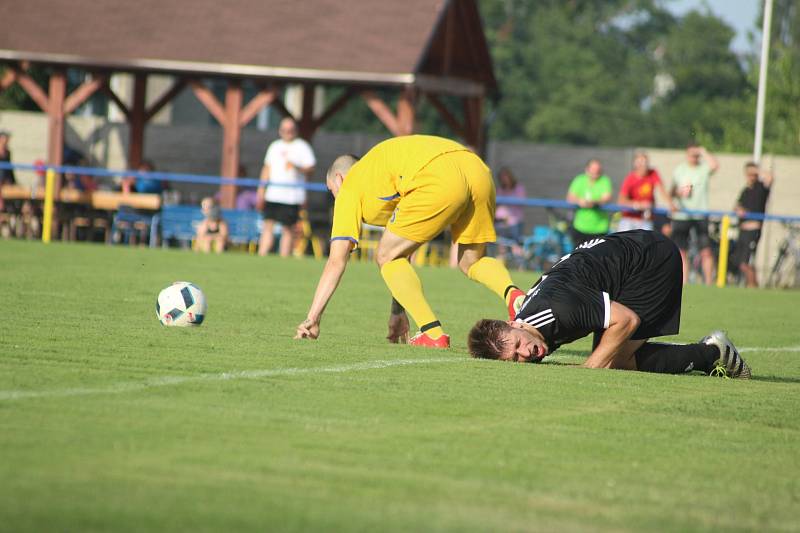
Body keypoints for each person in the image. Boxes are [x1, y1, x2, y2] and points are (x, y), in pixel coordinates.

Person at [294, 135, 527, 348]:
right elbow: (402, 253)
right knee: (471, 262)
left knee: (384, 256)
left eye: (331, 190)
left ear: (338, 178)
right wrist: (397, 311)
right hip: (476, 168)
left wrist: (312, 319)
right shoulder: (381, 172)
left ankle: (432, 333)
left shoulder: (351, 184)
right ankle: (514, 296)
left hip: (438, 177)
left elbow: (336, 260)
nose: (335, 196)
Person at [467, 230, 751, 379]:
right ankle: (709, 352)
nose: (525, 354)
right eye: (515, 359)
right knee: (609, 349)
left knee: (613, 359)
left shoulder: (560, 308)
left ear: (514, 324)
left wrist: (589, 368)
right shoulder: (529, 317)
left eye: (518, 344)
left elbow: (626, 320)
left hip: (651, 261)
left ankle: (713, 353)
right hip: (629, 251)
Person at [257, 117, 316, 257]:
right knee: (267, 225)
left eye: (290, 130)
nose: (287, 132)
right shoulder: (274, 146)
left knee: (287, 229)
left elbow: (311, 169)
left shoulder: (302, 146)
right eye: (284, 130)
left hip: (291, 196)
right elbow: (267, 168)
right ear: (280, 131)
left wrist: (296, 167)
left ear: (295, 131)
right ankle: (262, 255)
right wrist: (261, 188)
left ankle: (283, 257)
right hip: (273, 193)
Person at [670, 142, 719, 285]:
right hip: (682, 215)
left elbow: (715, 165)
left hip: (700, 215)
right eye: (692, 154)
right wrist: (678, 193)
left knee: (706, 251)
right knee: (681, 251)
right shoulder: (679, 170)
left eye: (696, 155)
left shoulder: (703, 168)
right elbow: (671, 191)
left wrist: (703, 150)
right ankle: (683, 282)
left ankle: (709, 282)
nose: (694, 157)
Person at [732, 162, 773, 288]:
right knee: (741, 262)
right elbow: (736, 206)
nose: (751, 176)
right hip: (743, 230)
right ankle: (753, 286)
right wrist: (738, 210)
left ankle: (753, 286)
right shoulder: (745, 190)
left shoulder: (761, 188)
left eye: (753, 174)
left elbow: (770, 178)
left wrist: (757, 170)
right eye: (748, 174)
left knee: (746, 263)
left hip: (753, 230)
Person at [617, 151, 674, 232]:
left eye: (645, 163)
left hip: (645, 218)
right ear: (635, 165)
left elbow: (662, 190)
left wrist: (670, 204)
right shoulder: (630, 179)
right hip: (629, 218)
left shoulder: (653, 173)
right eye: (640, 163)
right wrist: (638, 205)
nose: (643, 166)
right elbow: (621, 201)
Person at [566, 159, 612, 246]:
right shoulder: (579, 180)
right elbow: (570, 197)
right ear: (587, 170)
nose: (596, 172)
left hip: (600, 228)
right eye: (593, 169)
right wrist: (579, 201)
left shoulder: (604, 180)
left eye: (598, 170)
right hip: (580, 227)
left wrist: (594, 202)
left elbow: (606, 198)